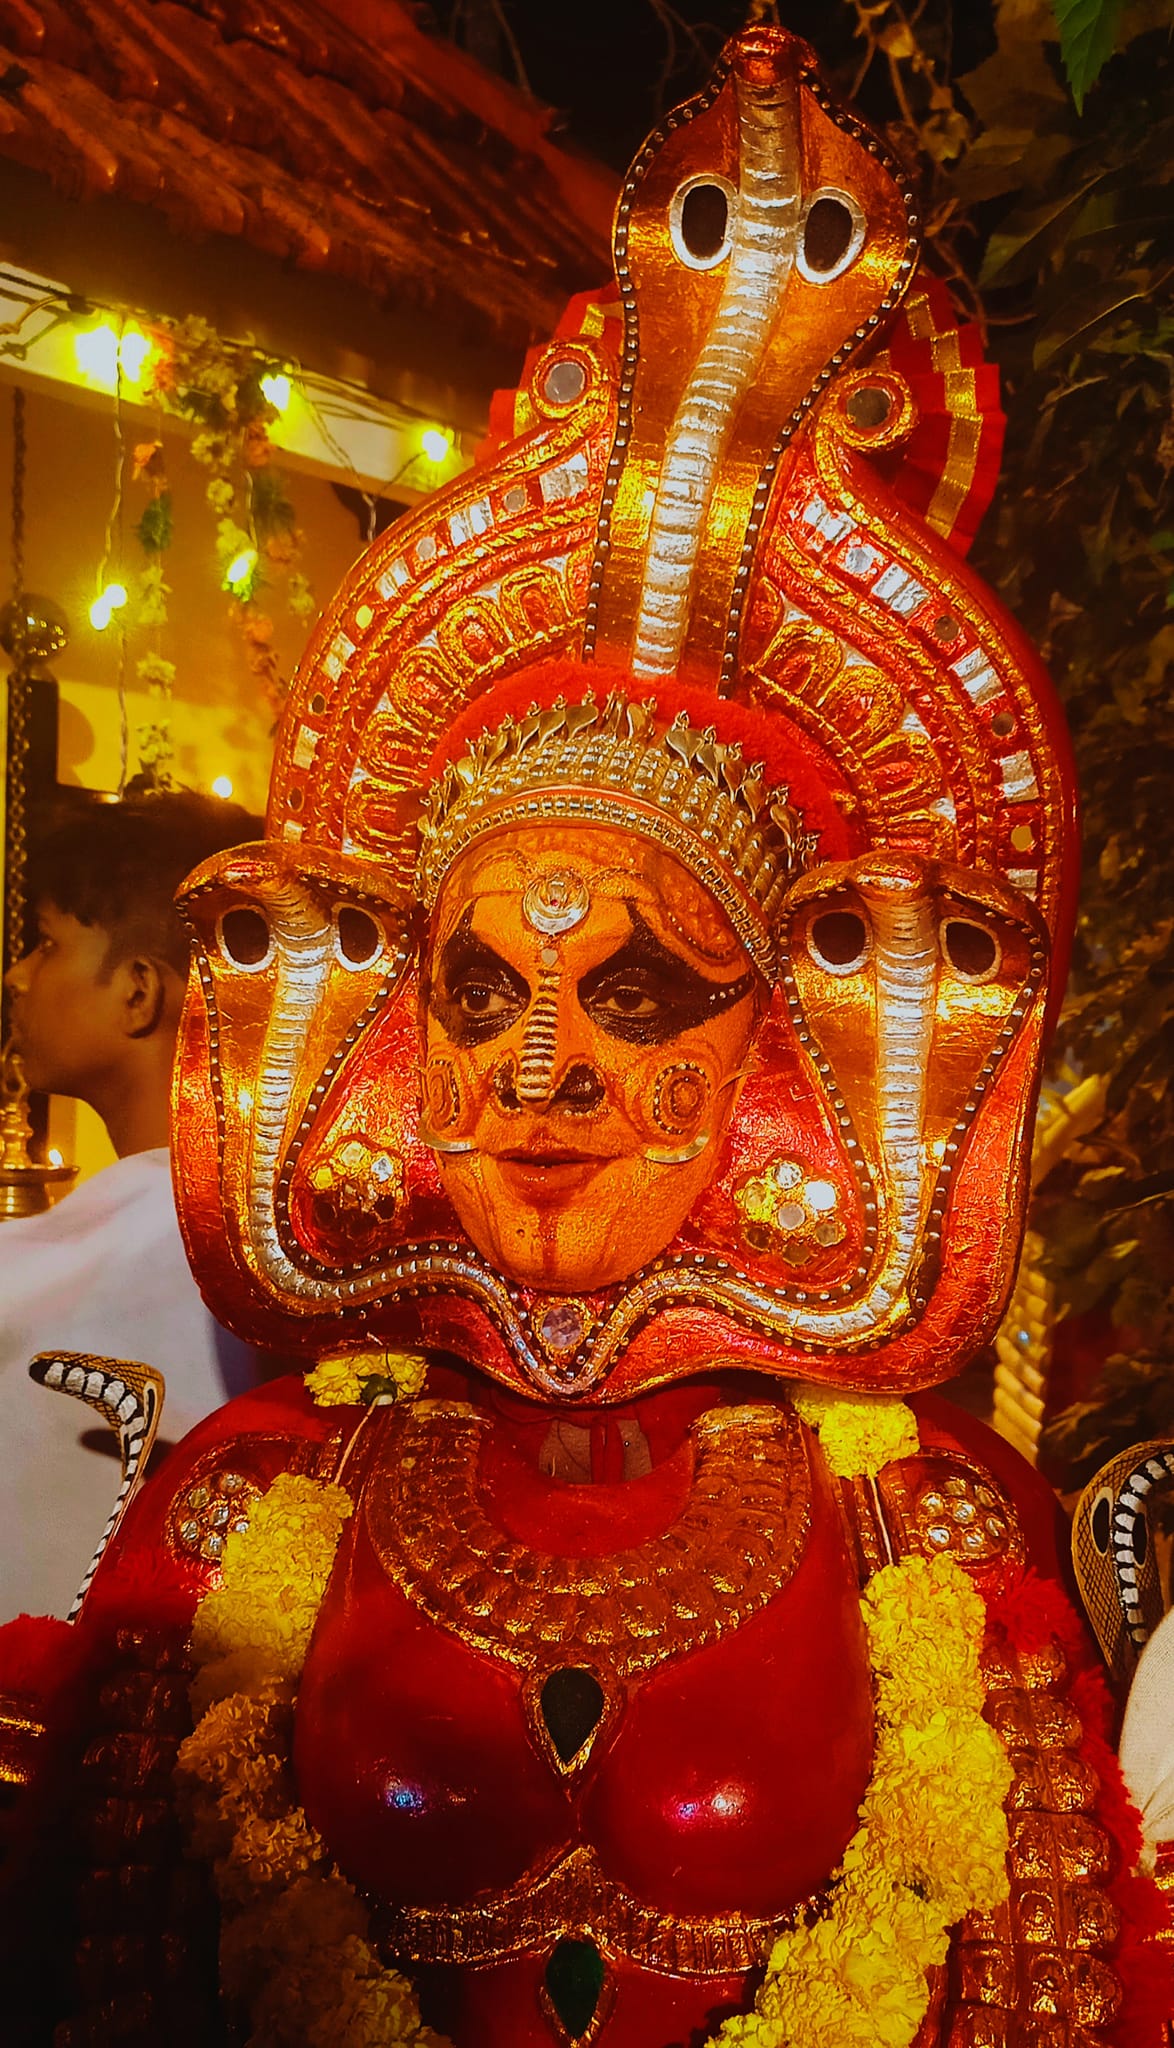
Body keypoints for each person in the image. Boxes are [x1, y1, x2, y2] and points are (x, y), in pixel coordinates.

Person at [1, 28, 1170, 2048]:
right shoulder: (251, 1489)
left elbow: (1050, 1983)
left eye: (634, 998)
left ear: (767, 1052)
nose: (539, 1066)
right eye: (481, 991)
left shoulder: (920, 1511)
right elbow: (97, 1968)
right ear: (401, 1029)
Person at [0, 791, 274, 1621]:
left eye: (47, 945)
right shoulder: (269, 1221)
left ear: (138, 992)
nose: (16, 975)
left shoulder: (72, 1261)